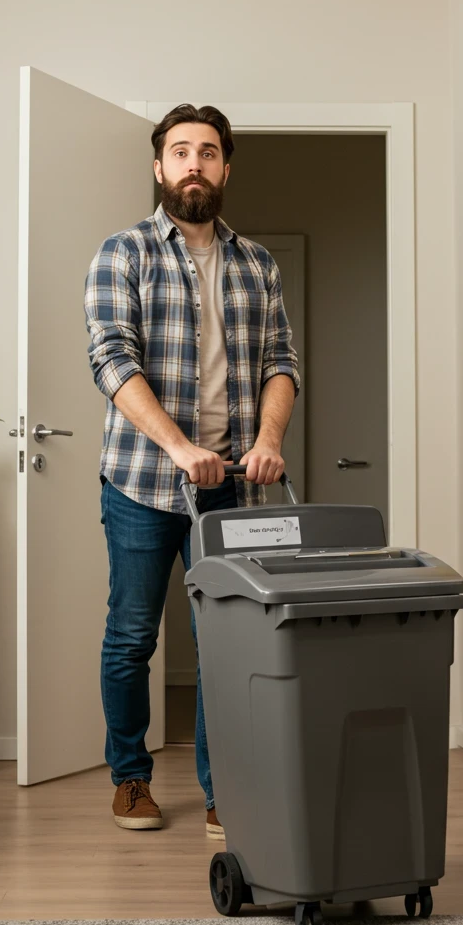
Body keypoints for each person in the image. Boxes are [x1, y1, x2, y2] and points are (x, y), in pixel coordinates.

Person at [84, 103, 300, 837]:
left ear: (225, 167)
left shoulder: (257, 263)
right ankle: (131, 779)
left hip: (234, 492)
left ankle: (223, 790)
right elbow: (112, 360)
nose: (194, 164)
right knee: (132, 638)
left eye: (208, 152)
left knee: (227, 644)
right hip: (143, 486)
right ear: (159, 167)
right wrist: (180, 450)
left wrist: (269, 437)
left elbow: (281, 363)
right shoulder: (124, 253)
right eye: (180, 152)